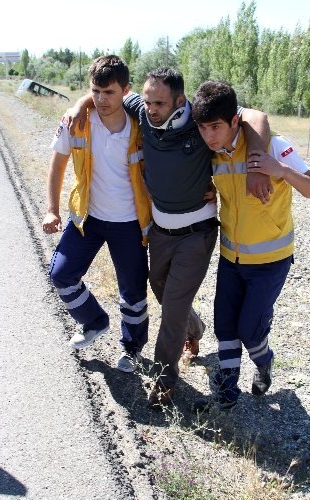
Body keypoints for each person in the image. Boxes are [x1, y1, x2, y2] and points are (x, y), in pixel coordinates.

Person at [68, 68, 271, 410]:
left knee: (172, 309)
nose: (151, 109)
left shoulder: (199, 123)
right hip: (161, 232)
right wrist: (80, 104)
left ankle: (164, 381)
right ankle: (195, 326)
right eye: (147, 101)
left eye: (159, 103)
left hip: (197, 233)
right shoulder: (143, 110)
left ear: (180, 101)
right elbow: (108, 93)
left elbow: (256, 116)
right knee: (161, 290)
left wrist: (258, 167)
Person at [191, 80, 310, 411]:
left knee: (250, 329)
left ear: (234, 121)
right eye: (203, 128)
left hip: (271, 260)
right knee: (225, 325)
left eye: (216, 127)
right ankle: (227, 392)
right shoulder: (213, 155)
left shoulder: (273, 146)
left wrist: (280, 170)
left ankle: (264, 362)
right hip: (231, 257)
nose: (209, 136)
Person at [42, 55, 152, 373]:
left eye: (110, 92)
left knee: (133, 292)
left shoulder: (141, 126)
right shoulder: (76, 121)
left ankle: (132, 348)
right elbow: (58, 164)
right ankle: (93, 321)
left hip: (130, 223)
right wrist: (51, 209)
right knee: (61, 274)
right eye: (96, 92)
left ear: (126, 91)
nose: (102, 100)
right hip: (87, 218)